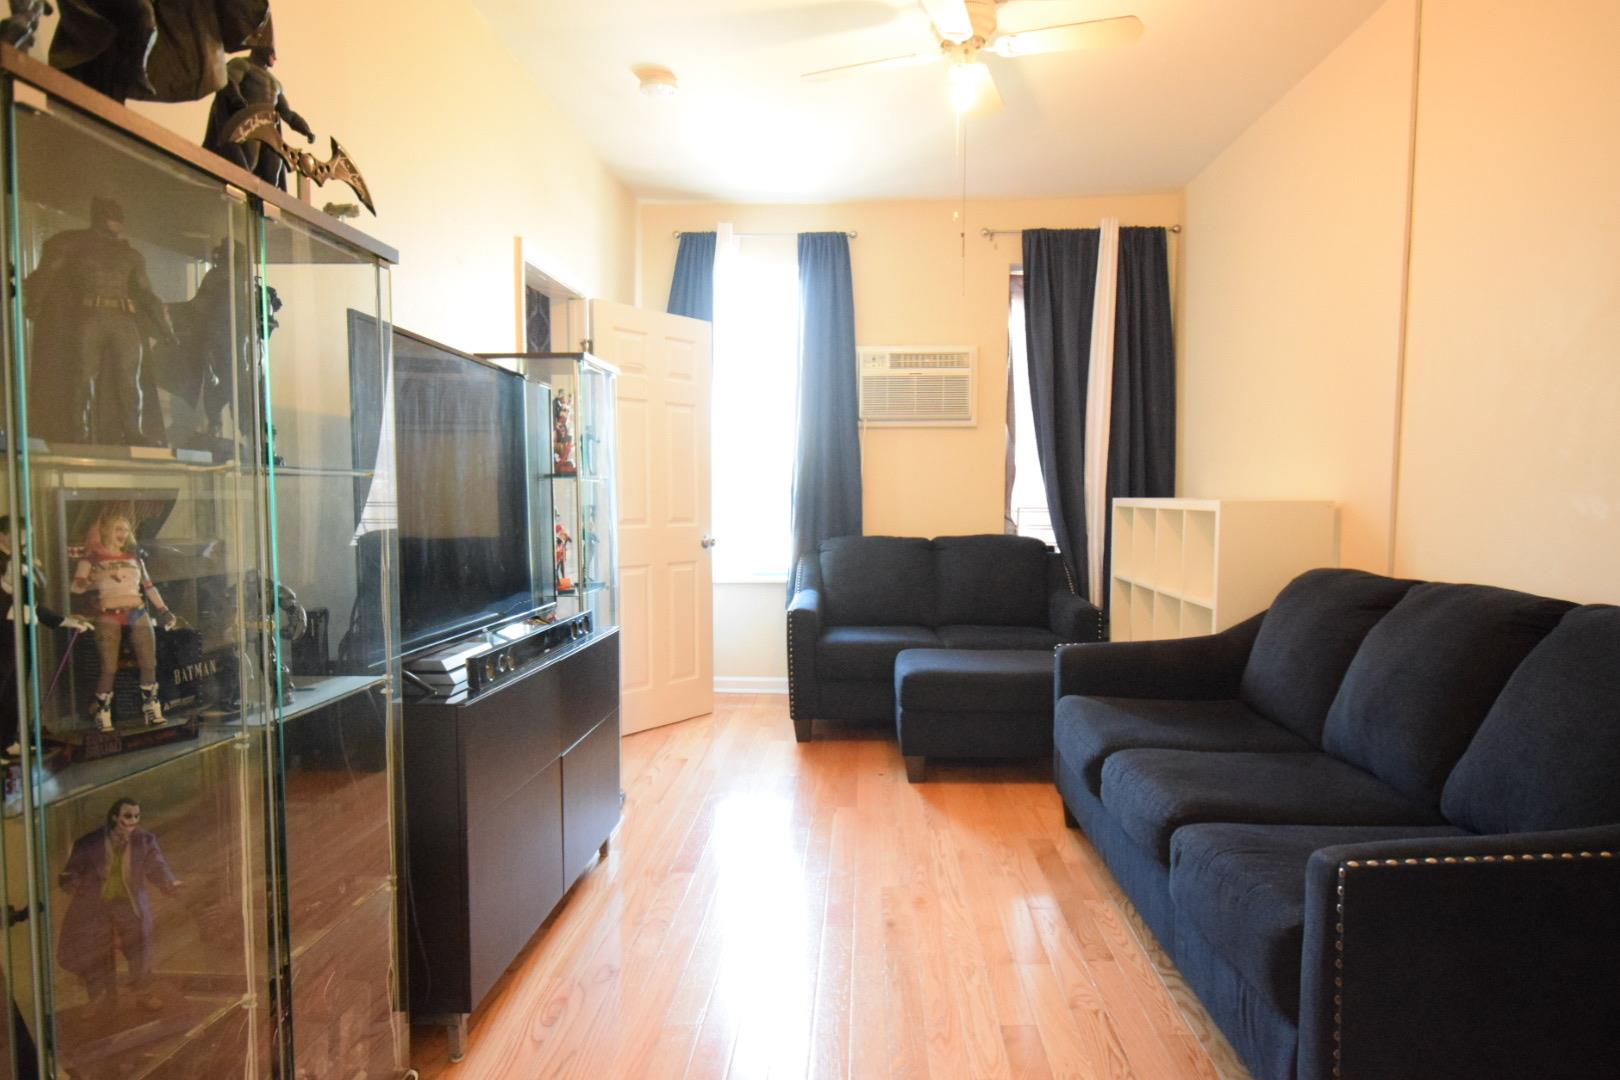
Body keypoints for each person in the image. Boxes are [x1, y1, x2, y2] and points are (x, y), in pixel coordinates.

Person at [22, 197, 174, 446]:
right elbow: (48, 274)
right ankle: (77, 431)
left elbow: (147, 294)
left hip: (122, 317)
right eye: (111, 215)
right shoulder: (72, 245)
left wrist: (166, 329)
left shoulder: (130, 255)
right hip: (89, 315)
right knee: (82, 375)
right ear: (100, 216)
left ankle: (132, 431)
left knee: (129, 379)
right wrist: (35, 302)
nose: (116, 221)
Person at [57, 798, 180, 1009]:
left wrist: (170, 883)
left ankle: (144, 994)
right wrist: (72, 883)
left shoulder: (145, 840)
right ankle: (97, 998)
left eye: (136, 816)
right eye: (127, 816)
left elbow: (157, 866)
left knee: (139, 946)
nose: (133, 821)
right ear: (115, 817)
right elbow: (71, 871)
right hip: (96, 905)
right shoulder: (89, 842)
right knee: (91, 950)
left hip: (129, 902)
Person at [70, 508, 179, 731]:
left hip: (137, 611)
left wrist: (164, 610)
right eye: (118, 529)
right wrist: (96, 578)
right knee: (109, 667)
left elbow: (148, 586)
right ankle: (103, 712)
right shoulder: (93, 559)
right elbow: (76, 587)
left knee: (149, 662)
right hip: (108, 614)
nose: (122, 534)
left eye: (126, 530)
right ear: (108, 531)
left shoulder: (134, 559)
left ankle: (151, 707)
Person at [0, 517, 93, 760]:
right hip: (3, 632)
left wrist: (64, 620)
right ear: (2, 535)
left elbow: (34, 603)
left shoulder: (23, 561)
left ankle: (8, 740)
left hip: (21, 630)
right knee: (2, 685)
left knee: (16, 687)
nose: (25, 539)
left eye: (27, 534)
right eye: (20, 534)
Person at [201, 34, 313, 190]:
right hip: (247, 128)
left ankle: (264, 211)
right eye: (271, 50)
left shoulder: (276, 84)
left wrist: (305, 129)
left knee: (271, 179)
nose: (274, 56)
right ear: (259, 46)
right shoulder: (242, 65)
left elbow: (287, 113)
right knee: (244, 173)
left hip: (269, 135)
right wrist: (236, 99)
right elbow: (228, 82)